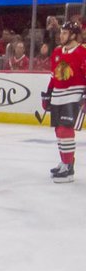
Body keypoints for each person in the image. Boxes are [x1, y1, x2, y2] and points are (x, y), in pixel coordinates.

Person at [43, 18, 86, 182]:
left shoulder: (82, 52)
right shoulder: (57, 52)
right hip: (58, 96)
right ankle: (65, 162)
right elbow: (54, 77)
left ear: (74, 35)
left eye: (65, 32)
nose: (61, 35)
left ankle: (68, 168)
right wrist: (48, 94)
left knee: (65, 130)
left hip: (75, 96)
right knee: (58, 132)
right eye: (61, 32)